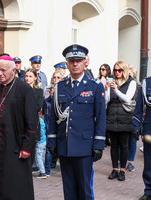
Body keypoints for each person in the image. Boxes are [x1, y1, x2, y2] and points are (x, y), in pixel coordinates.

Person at [46, 44, 106, 200]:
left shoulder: (95, 86)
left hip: (85, 146)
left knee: (85, 189)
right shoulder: (59, 86)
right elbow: (53, 116)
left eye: (78, 60)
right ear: (66, 63)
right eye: (72, 61)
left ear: (85, 62)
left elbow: (100, 118)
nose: (75, 64)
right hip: (65, 144)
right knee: (69, 189)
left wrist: (99, 144)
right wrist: (52, 140)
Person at [0, 55, 37, 200]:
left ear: (13, 71)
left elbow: (31, 120)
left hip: (15, 145)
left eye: (3, 70)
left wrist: (27, 147)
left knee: (15, 185)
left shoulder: (24, 89)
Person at [105, 61, 138, 181]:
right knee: (114, 145)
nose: (117, 73)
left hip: (125, 118)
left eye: (119, 70)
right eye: (115, 70)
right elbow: (107, 100)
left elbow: (127, 98)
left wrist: (116, 90)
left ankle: (122, 170)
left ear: (124, 71)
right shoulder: (112, 82)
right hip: (112, 117)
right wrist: (106, 89)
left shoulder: (132, 83)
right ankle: (114, 169)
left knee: (124, 145)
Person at [132, 76, 151, 200]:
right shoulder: (147, 83)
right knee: (149, 163)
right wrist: (136, 125)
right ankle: (149, 191)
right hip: (150, 130)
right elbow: (139, 106)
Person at [125, 64, 139, 172]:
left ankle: (130, 162)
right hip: (124, 115)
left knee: (133, 140)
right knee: (123, 139)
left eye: (130, 74)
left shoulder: (139, 87)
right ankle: (122, 160)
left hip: (134, 115)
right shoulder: (123, 85)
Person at [34, 109, 47, 179]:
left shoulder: (39, 122)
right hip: (42, 141)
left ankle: (43, 172)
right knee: (37, 156)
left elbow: (40, 133)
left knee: (38, 157)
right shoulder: (41, 120)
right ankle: (37, 168)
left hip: (40, 142)